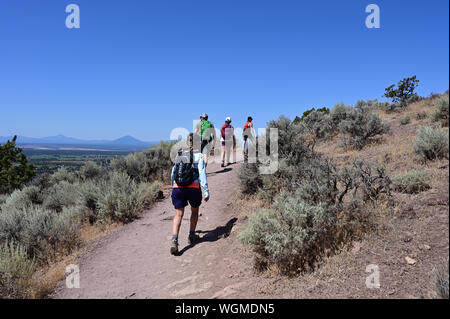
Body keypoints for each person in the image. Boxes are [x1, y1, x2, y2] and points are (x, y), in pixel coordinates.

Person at [170, 133, 210, 255]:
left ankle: (174, 240)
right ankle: (192, 235)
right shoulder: (198, 156)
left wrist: (173, 185)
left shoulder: (180, 154)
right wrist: (206, 190)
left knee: (178, 214)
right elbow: (202, 174)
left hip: (178, 188)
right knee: (194, 212)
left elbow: (173, 173)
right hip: (193, 188)